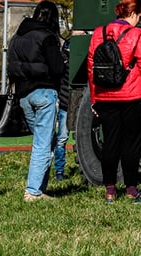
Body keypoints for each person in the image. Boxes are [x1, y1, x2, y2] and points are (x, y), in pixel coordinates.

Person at [88, 0, 141, 204]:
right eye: (140, 16)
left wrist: (95, 99)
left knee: (110, 142)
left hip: (105, 96)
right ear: (133, 13)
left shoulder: (98, 33)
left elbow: (91, 70)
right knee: (131, 144)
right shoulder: (136, 34)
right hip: (133, 96)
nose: (140, 20)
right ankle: (131, 189)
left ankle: (110, 190)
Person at [7, 0, 63, 202]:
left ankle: (40, 188)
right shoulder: (47, 37)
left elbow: (12, 65)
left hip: (24, 94)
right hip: (44, 92)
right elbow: (57, 69)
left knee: (45, 141)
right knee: (43, 142)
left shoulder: (17, 37)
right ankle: (33, 191)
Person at [52, 30, 82, 181]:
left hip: (70, 101)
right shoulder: (65, 57)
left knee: (63, 138)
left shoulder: (65, 55)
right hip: (66, 102)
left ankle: (60, 170)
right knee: (62, 138)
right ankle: (59, 171)